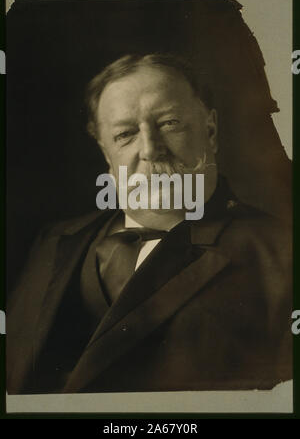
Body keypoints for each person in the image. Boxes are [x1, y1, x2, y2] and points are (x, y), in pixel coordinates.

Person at [7, 53, 292, 394]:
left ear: (211, 131)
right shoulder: (54, 239)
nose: (151, 150)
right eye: (125, 134)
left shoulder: (283, 253)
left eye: (170, 123)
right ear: (104, 150)